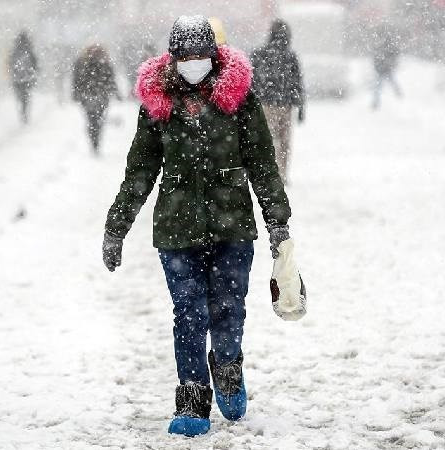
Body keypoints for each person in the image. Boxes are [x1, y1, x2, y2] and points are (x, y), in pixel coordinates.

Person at [102, 16, 292, 437]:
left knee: (228, 307)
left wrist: (278, 223)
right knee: (188, 312)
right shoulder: (158, 104)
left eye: (200, 55)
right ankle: (191, 397)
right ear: (174, 58)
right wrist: (116, 227)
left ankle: (227, 368)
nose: (193, 62)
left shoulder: (240, 100)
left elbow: (263, 164)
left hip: (233, 225)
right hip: (176, 227)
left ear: (214, 55)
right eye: (185, 56)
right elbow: (140, 169)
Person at [251, 19, 305, 185]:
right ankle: (281, 175)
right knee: (284, 143)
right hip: (285, 106)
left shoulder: (259, 54)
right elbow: (297, 83)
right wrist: (301, 107)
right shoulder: (290, 57)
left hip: (264, 105)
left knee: (265, 142)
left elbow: (251, 82)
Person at [72, 44, 118, 155]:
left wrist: (76, 93)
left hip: (87, 95)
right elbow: (110, 79)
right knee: (98, 120)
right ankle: (95, 140)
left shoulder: (82, 62)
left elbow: (76, 79)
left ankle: (94, 140)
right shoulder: (104, 61)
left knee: (91, 119)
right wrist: (115, 92)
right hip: (101, 95)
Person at [9, 31, 39, 124]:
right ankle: (24, 111)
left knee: (21, 96)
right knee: (26, 96)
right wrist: (35, 74)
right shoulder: (29, 49)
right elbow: (35, 63)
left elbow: (11, 63)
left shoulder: (15, 50)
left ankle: (22, 111)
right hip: (27, 78)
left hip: (17, 78)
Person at [372, 30, 402, 109]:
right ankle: (376, 102)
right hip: (383, 70)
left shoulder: (383, 48)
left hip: (384, 70)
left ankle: (376, 102)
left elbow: (376, 59)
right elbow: (376, 59)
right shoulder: (386, 48)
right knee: (382, 86)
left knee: (379, 87)